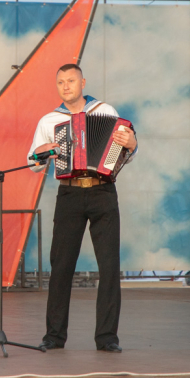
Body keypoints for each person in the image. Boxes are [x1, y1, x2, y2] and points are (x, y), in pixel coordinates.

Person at [27, 63, 137, 353]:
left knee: (109, 267)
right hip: (69, 194)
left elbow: (123, 153)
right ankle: (54, 336)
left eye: (71, 80)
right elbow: (33, 163)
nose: (66, 86)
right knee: (61, 266)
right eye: (60, 82)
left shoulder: (105, 111)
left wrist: (131, 144)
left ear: (83, 83)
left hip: (103, 192)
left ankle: (107, 338)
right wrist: (41, 152)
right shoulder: (49, 120)